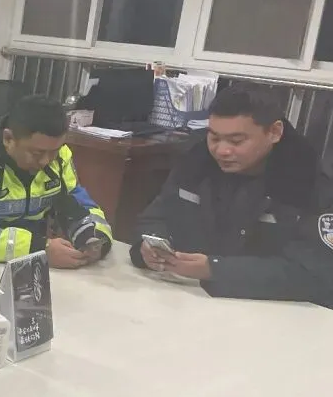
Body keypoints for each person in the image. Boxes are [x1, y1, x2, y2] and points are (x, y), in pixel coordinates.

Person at [131, 86, 333, 308]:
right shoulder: (196, 162)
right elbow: (155, 217)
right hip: (188, 298)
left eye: (236, 141)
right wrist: (150, 245)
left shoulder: (308, 183)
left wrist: (215, 269)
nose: (222, 151)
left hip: (274, 312)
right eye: (214, 137)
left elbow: (313, 273)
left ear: (274, 132)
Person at [0, 95, 112, 268]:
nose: (46, 161)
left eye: (54, 151)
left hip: (43, 261)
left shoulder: (59, 156)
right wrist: (36, 249)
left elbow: (79, 201)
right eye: (37, 153)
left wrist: (96, 238)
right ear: (8, 139)